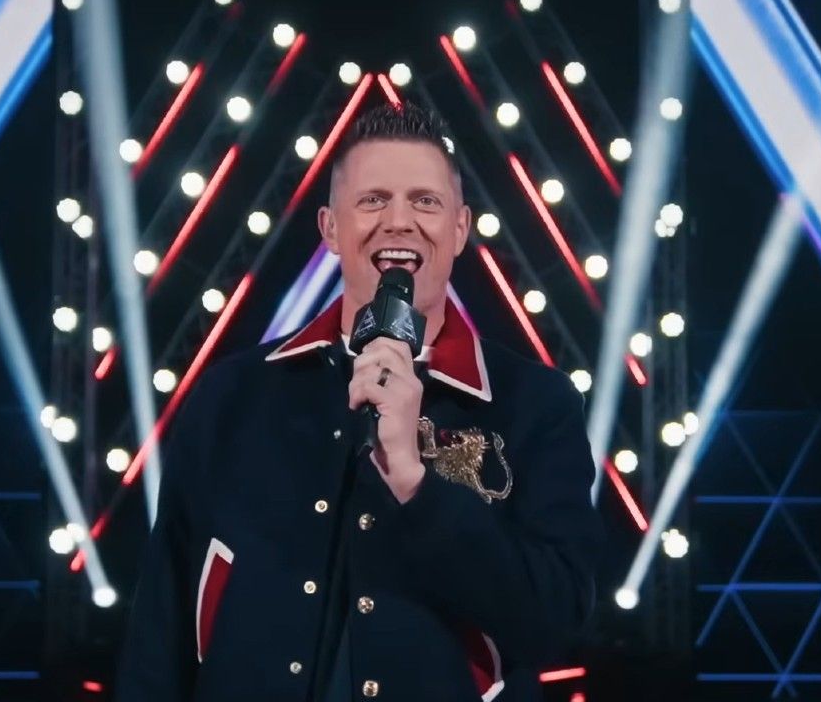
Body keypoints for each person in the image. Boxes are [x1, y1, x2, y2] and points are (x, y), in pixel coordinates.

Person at [116, 103, 603, 701]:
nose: (399, 221)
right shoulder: (232, 396)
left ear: (459, 229)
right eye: (373, 200)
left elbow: (556, 620)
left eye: (425, 201)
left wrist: (418, 486)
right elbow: (160, 628)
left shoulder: (534, 404)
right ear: (329, 228)